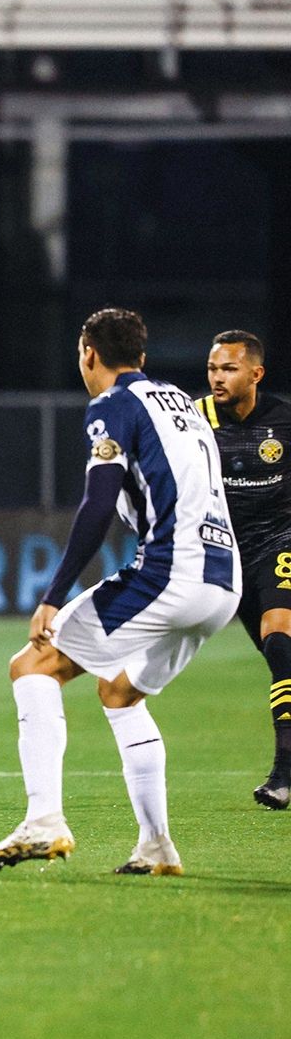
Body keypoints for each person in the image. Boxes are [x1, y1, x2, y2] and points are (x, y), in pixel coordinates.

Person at [0, 308, 239, 877]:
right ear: (141, 357)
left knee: (33, 665)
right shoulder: (185, 408)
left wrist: (52, 594)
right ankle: (156, 845)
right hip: (222, 582)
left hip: (171, 573)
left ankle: (44, 818)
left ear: (88, 353)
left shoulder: (113, 406)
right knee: (119, 694)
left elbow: (98, 504)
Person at [197, 330, 291, 809]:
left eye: (229, 369)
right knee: (280, 662)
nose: (217, 377)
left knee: (281, 642)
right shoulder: (195, 420)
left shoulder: (284, 421)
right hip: (227, 555)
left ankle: (283, 774)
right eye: (213, 368)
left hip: (280, 543)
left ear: (255, 374)